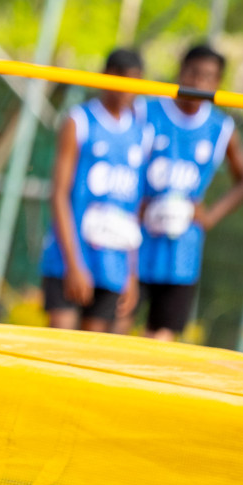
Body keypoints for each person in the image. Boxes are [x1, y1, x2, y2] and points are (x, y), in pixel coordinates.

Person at [124, 44, 243, 340]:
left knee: (162, 335)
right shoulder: (147, 110)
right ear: (180, 72)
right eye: (193, 73)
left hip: (182, 249)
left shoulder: (219, 127)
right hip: (136, 240)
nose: (199, 83)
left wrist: (209, 216)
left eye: (208, 77)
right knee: (118, 322)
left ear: (218, 83)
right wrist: (134, 202)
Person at [40, 48, 150, 332]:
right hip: (71, 256)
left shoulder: (141, 132)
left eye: (136, 81)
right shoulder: (80, 121)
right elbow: (60, 194)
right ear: (107, 77)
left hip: (113, 262)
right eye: (123, 79)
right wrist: (74, 264)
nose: (129, 90)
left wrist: (131, 273)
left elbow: (135, 208)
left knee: (94, 353)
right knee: (59, 349)